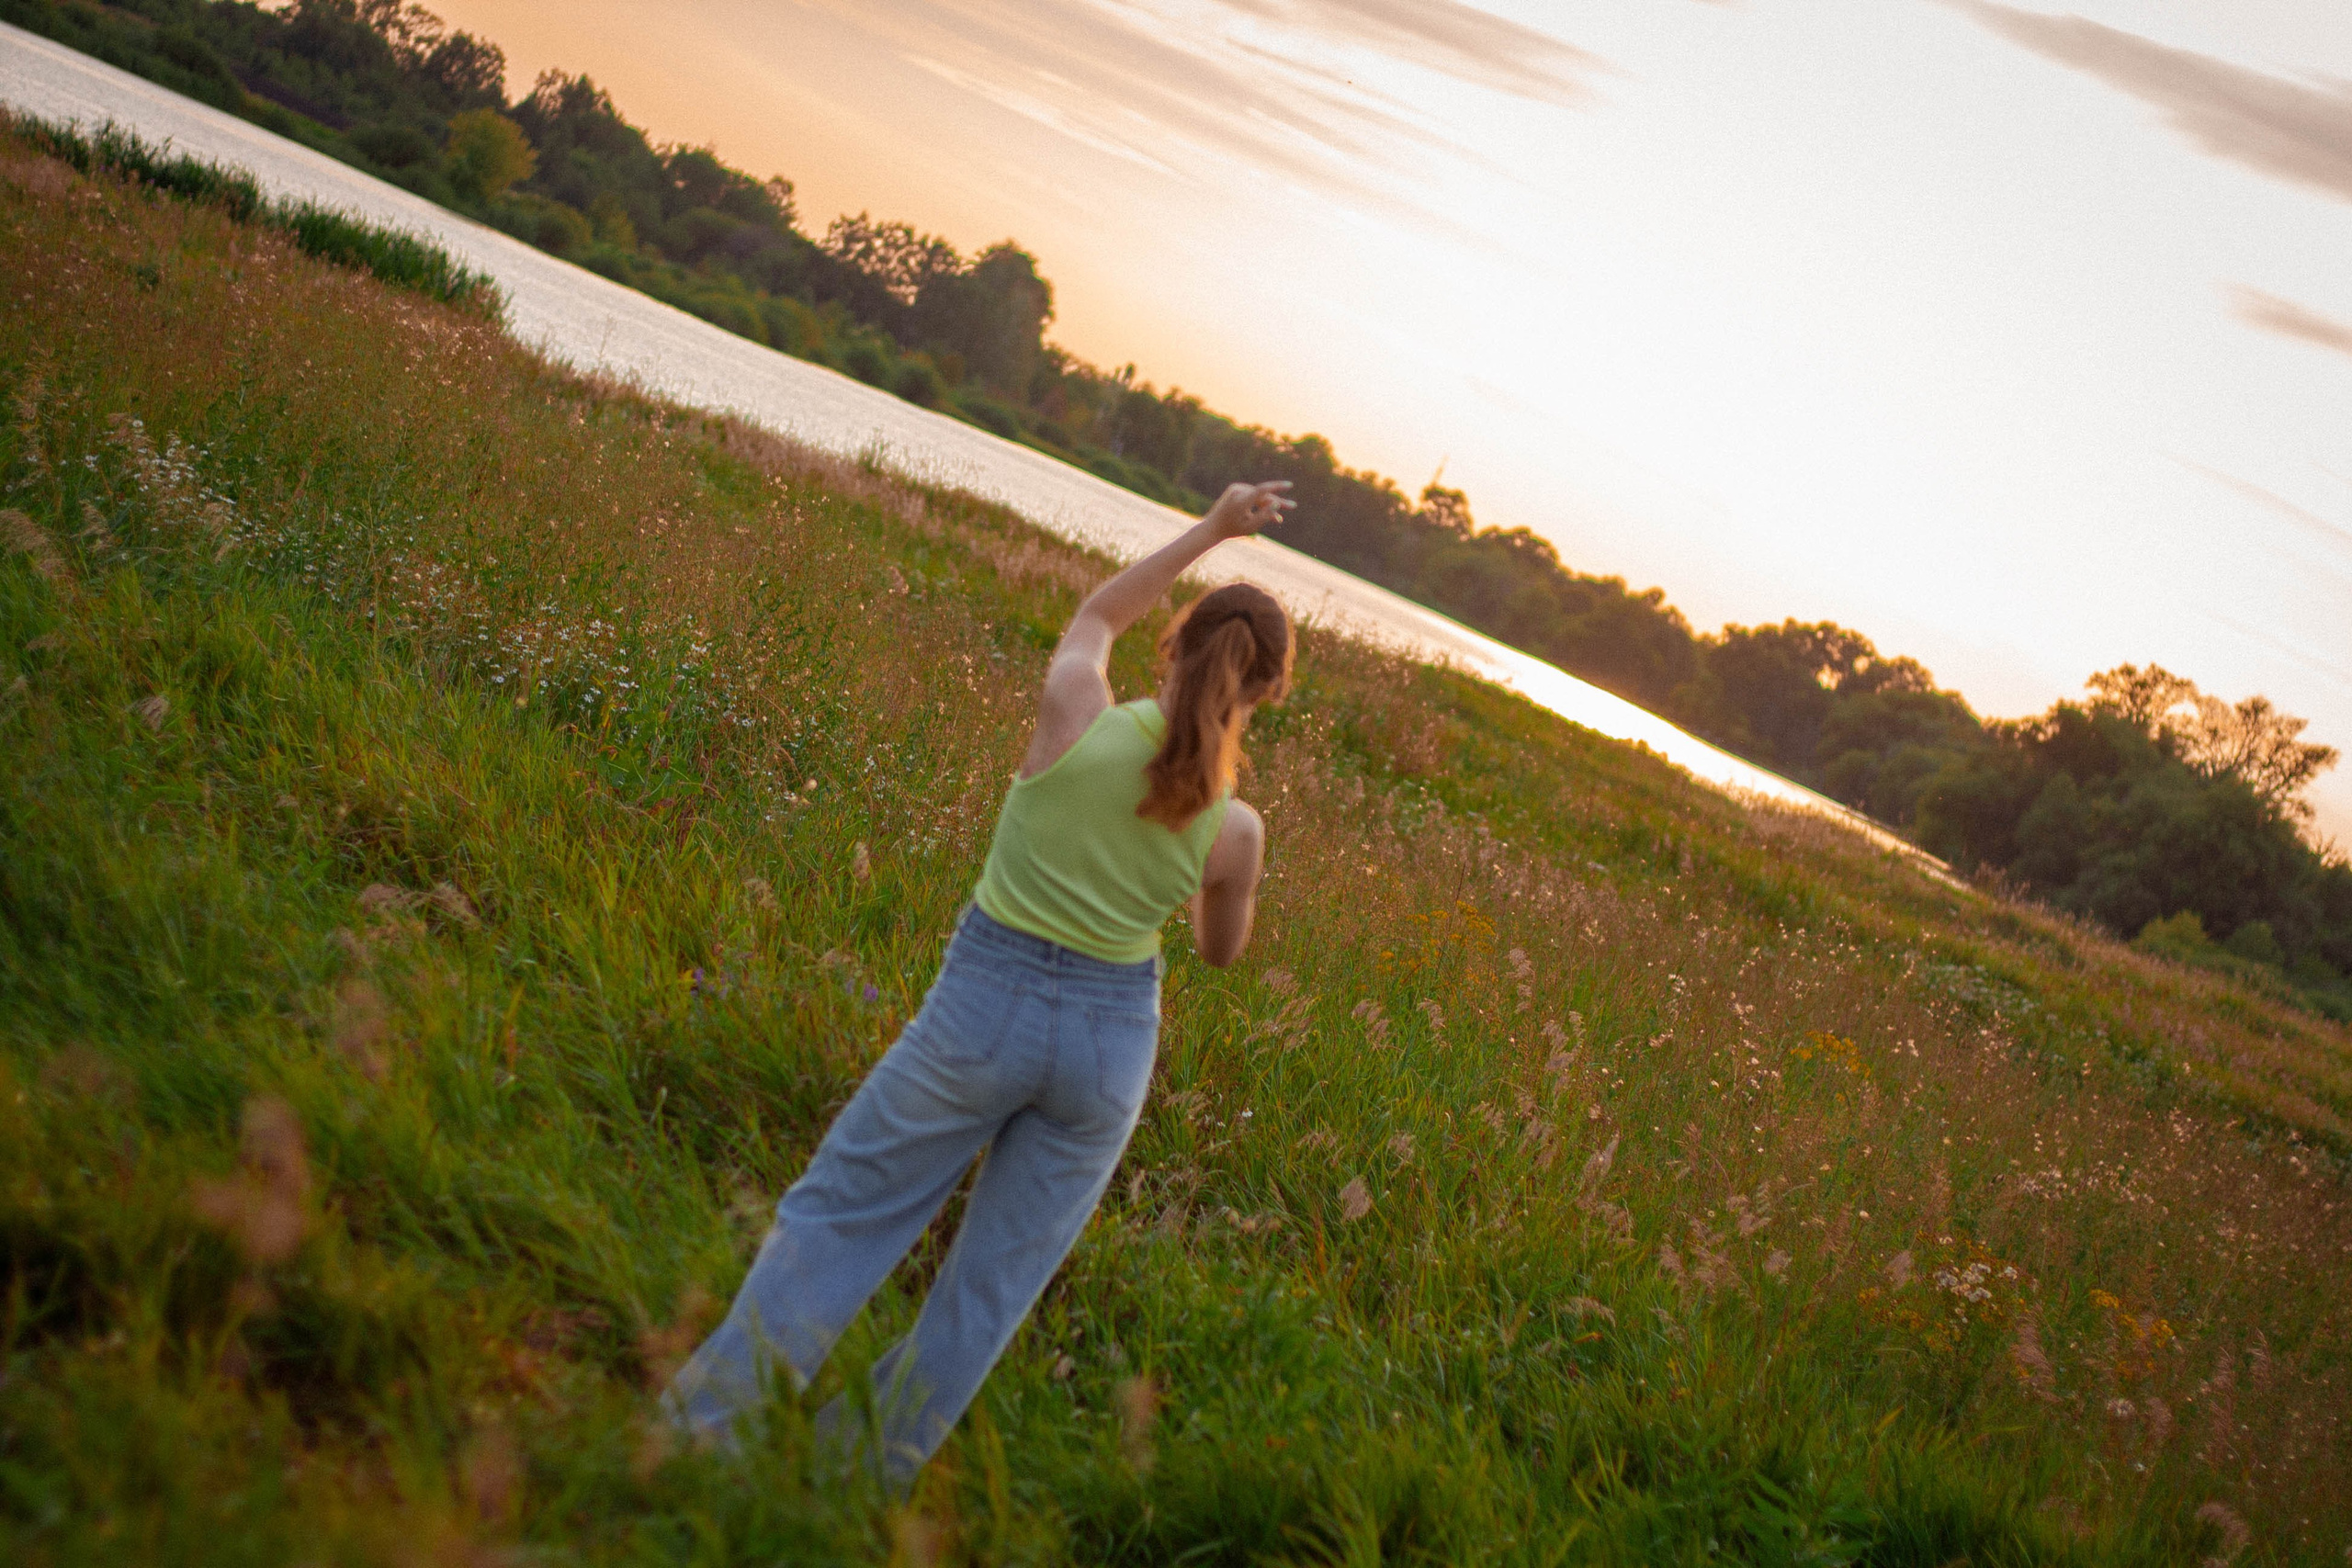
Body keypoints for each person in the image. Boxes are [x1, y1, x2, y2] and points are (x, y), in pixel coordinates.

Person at [662, 479, 1298, 1483]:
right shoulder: (1238, 831)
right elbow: (1221, 954)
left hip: (983, 1008)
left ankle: (700, 1441)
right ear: (1263, 695)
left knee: (843, 1216)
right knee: (988, 1292)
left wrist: (1214, 529)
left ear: (1172, 650)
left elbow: (1095, 614)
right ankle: (845, 1490)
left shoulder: (1077, 712)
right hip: (1107, 1051)